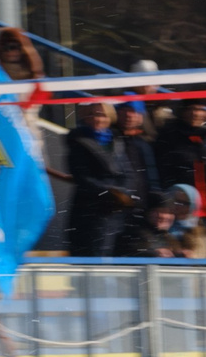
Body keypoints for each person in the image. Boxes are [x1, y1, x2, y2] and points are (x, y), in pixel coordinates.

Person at [63, 99, 153, 256]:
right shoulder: (78, 142)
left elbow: (128, 172)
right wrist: (112, 193)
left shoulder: (116, 141)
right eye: (92, 114)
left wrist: (125, 193)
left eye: (102, 115)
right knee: (93, 256)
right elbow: (83, 178)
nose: (97, 119)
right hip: (91, 212)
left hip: (117, 213)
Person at [153, 101, 206, 224]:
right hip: (176, 210)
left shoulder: (200, 139)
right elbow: (164, 174)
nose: (196, 114)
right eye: (192, 109)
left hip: (199, 209)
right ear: (182, 112)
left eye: (202, 109)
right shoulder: (170, 136)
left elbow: (204, 179)